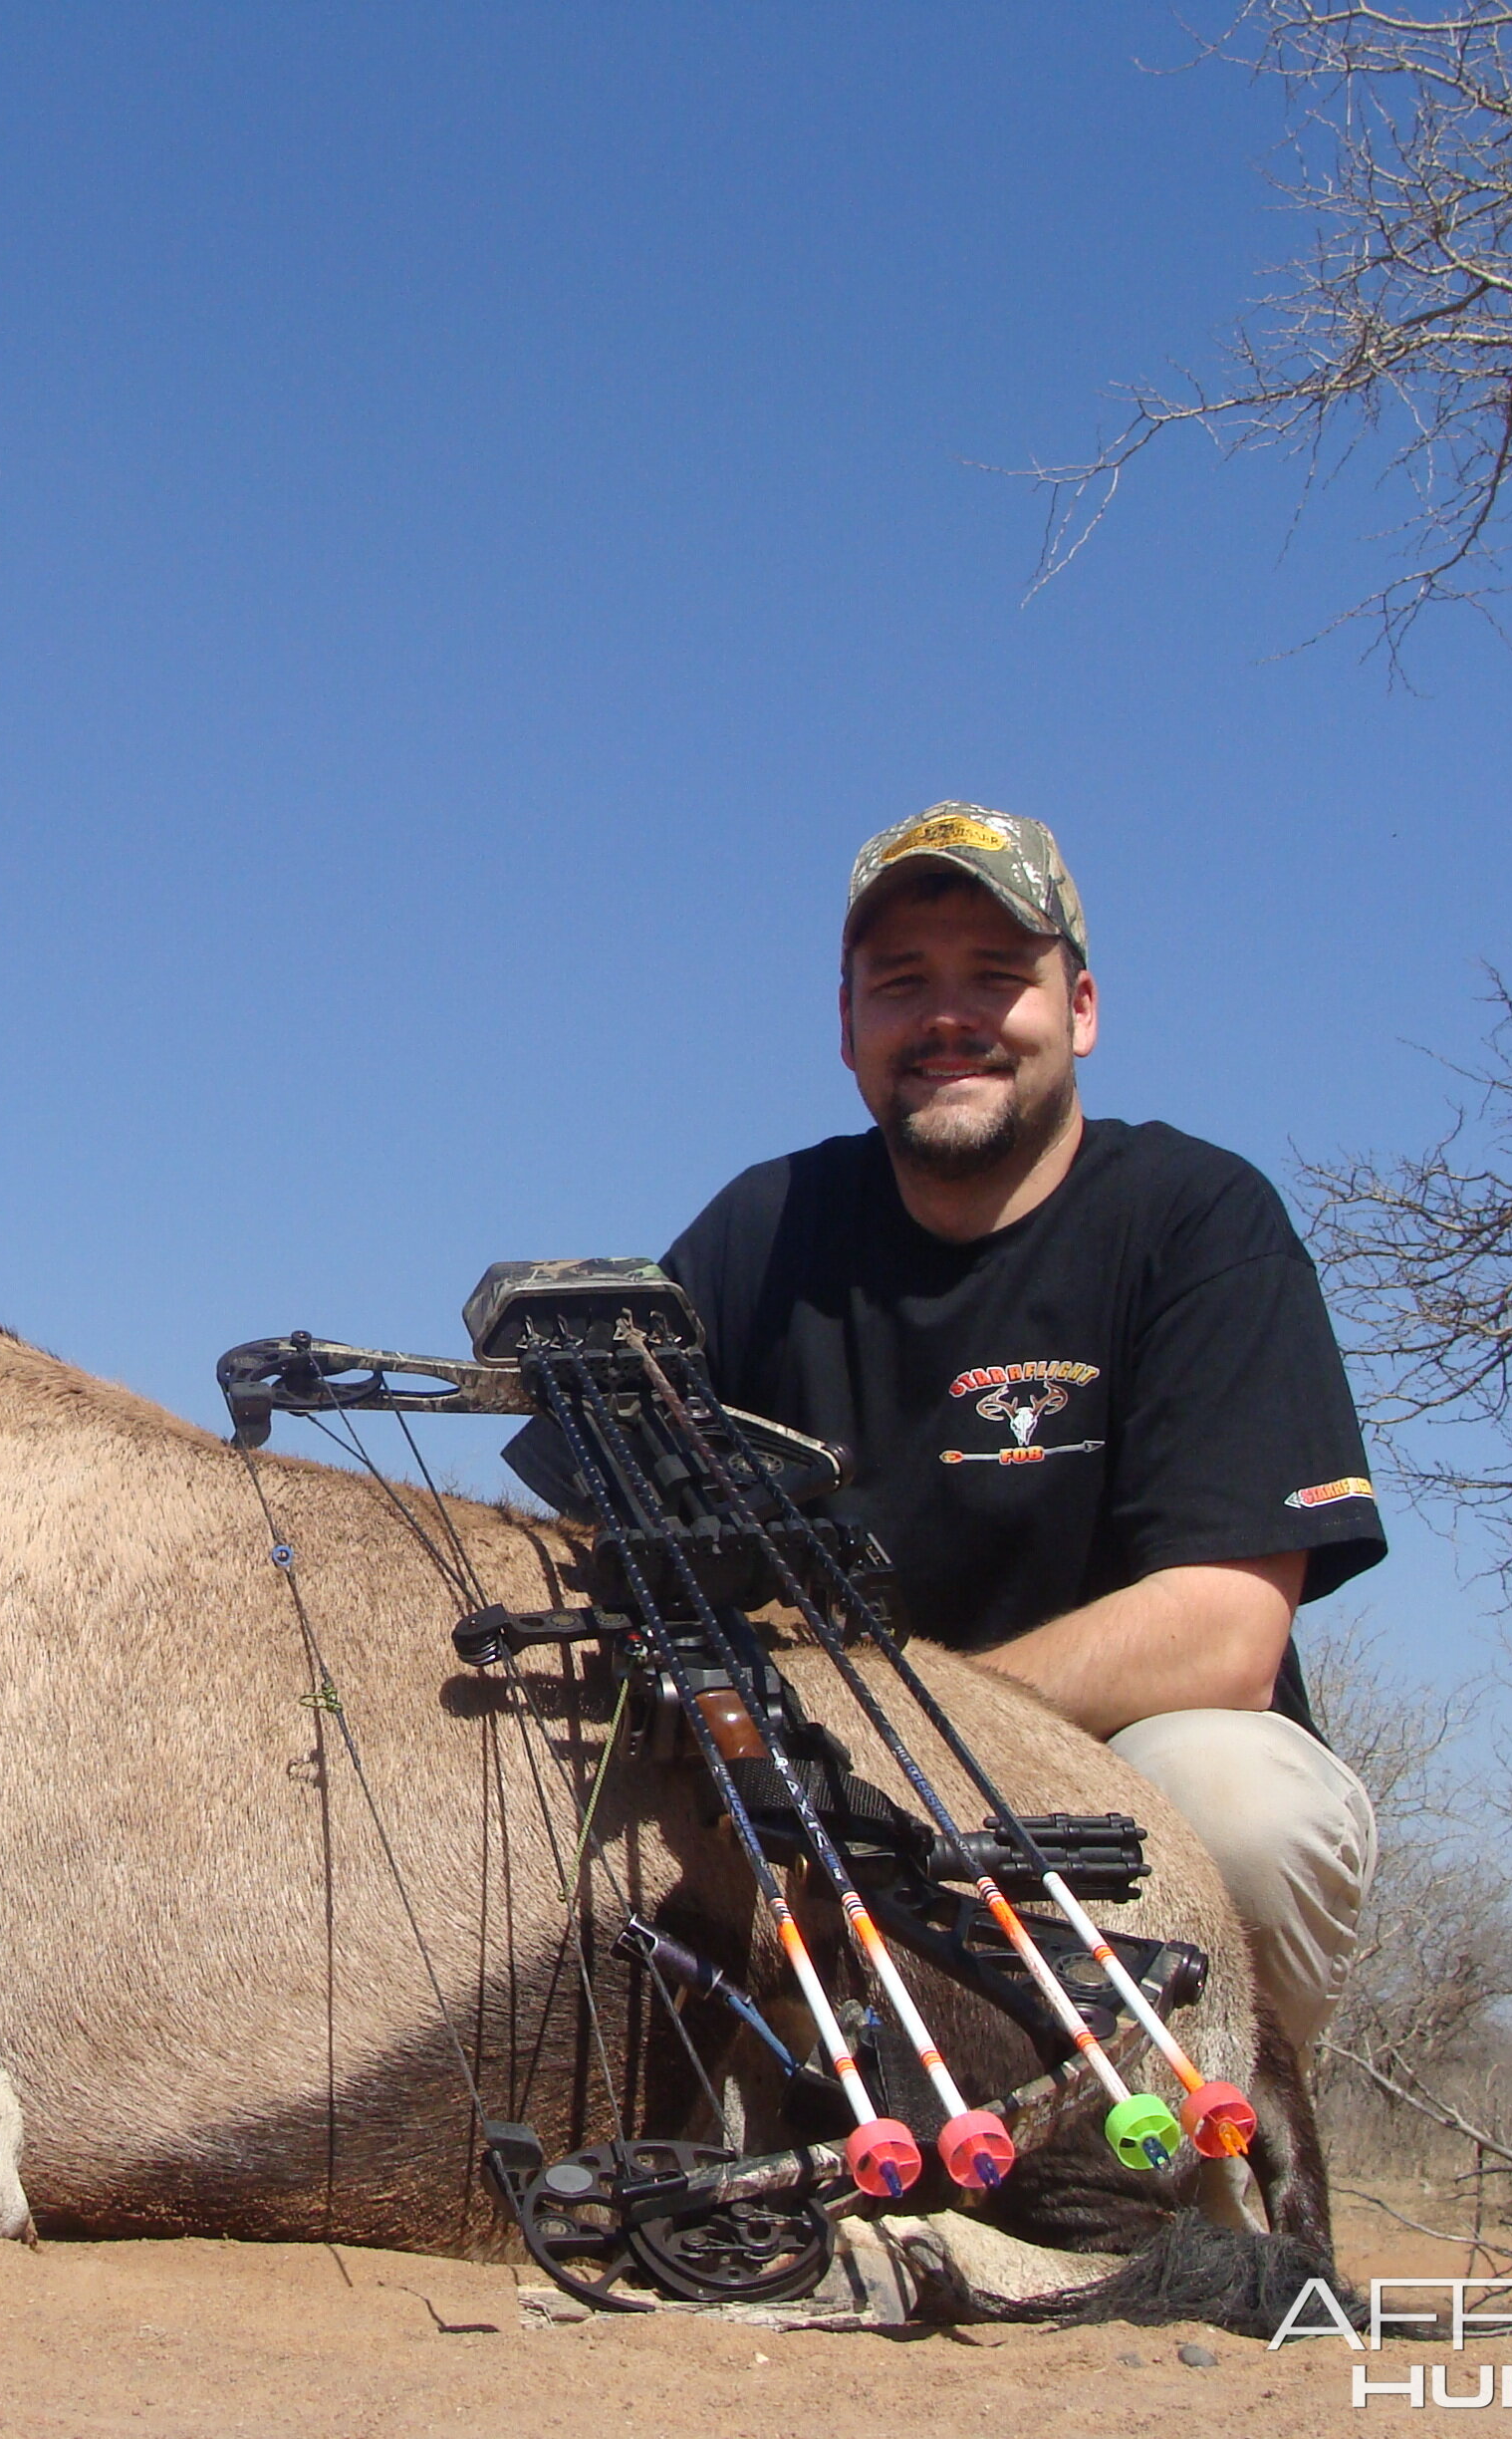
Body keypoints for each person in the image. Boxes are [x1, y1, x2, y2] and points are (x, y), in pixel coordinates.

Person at [510, 802, 1382, 2050]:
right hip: (829, 1774)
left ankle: (1232, 2185)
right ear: (849, 1028)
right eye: (902, 983)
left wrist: (890, 1728)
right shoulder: (765, 1227)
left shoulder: (1201, 1218)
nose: (947, 1019)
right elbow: (587, 1515)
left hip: (1094, 1765)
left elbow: (1227, 1628)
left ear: (1079, 1009)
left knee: (1244, 1800)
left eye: (997, 977)